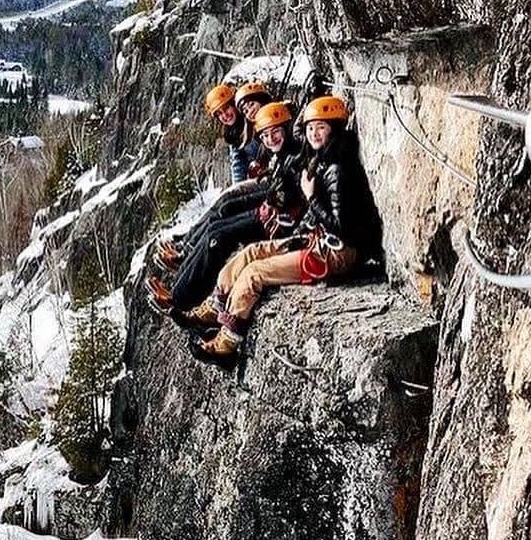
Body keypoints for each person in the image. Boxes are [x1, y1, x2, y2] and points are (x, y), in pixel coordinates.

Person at [190, 95, 383, 366]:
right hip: (321, 241)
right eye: (311, 128)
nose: (314, 133)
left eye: (321, 127)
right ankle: (216, 305)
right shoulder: (323, 160)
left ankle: (227, 342)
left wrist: (311, 198)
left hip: (338, 253)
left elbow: (344, 229)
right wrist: (299, 232)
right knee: (251, 252)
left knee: (254, 274)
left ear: (334, 129)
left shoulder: (337, 170)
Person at [147, 101, 306, 319]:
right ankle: (178, 282)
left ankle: (179, 300)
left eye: (276, 132)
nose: (271, 139)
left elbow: (290, 195)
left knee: (218, 239)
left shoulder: (293, 155)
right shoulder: (283, 154)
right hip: (269, 215)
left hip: (277, 224)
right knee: (215, 228)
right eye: (266, 135)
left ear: (286, 129)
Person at [153, 80, 273, 274]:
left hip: (267, 178)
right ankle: (187, 242)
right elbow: (238, 163)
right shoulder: (234, 132)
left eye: (227, 109)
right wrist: (238, 188)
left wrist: (240, 190)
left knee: (226, 202)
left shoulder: (252, 121)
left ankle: (187, 246)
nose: (225, 116)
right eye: (220, 114)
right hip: (257, 178)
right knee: (226, 199)